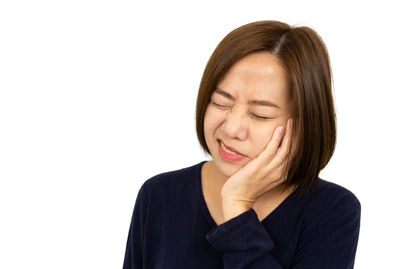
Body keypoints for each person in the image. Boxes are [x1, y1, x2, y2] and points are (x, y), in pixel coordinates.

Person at [122, 20, 361, 268]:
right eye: (220, 102)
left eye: (260, 114)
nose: (231, 128)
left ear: (304, 126)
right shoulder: (160, 194)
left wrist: (237, 207)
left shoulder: (332, 211)